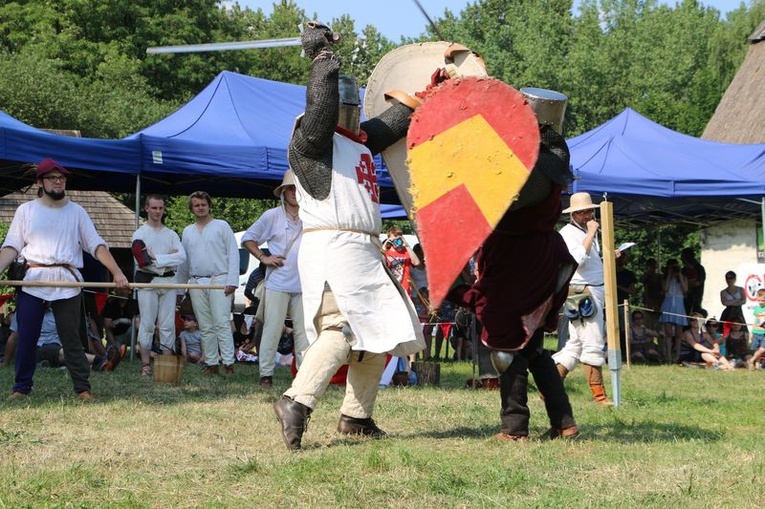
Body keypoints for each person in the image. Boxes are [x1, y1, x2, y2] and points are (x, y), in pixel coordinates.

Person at [273, 22, 426, 450]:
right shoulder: (309, 143)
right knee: (340, 330)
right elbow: (320, 109)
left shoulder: (358, 142)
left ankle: (356, 418)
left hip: (364, 250)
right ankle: (296, 403)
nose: (351, 114)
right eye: (346, 107)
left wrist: (431, 87)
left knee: (384, 330)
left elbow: (397, 120)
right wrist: (323, 59)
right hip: (333, 249)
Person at [448, 88, 579, 438]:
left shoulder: (534, 169)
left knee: (508, 345)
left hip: (518, 262)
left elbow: (499, 204)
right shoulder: (546, 163)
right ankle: (564, 424)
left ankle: (515, 428)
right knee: (534, 350)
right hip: (536, 259)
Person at [0, 158, 129, 399]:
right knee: (26, 337)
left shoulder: (77, 212)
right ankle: (20, 388)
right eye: (52, 177)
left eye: (61, 178)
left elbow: (96, 245)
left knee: (72, 338)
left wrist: (117, 272)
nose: (58, 181)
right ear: (40, 181)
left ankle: (82, 388)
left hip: (67, 282)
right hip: (33, 280)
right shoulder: (25, 211)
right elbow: (11, 247)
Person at [241, 170, 309, 388]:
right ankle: (266, 375)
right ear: (283, 192)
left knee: (305, 332)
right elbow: (247, 238)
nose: (294, 193)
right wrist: (264, 257)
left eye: (298, 189)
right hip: (278, 281)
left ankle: (306, 378)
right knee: (272, 328)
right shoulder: (272, 216)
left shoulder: (312, 215)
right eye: (290, 188)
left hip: (305, 283)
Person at [552, 192, 613, 405]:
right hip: (582, 291)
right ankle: (600, 396)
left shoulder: (585, 232)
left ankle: (549, 387)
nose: (588, 215)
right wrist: (591, 233)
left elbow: (590, 259)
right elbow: (577, 259)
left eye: (590, 211)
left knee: (575, 344)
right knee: (594, 342)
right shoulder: (568, 233)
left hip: (590, 288)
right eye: (584, 211)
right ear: (574, 214)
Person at [176, 191, 239, 376]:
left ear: (209, 206)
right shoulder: (187, 231)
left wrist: (232, 281)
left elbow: (233, 253)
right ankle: (211, 362)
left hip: (219, 279)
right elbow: (184, 262)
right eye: (196, 205)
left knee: (221, 322)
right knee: (205, 325)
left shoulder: (222, 226)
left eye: (203, 204)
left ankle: (228, 363)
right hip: (196, 281)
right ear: (191, 209)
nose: (200, 207)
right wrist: (181, 288)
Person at [132, 195, 186, 377]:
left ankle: (167, 365)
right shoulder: (139, 234)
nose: (157, 211)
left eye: (160, 208)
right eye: (154, 208)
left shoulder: (171, 234)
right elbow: (142, 262)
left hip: (169, 283)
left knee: (167, 325)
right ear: (146, 208)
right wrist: (168, 260)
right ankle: (146, 366)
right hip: (148, 282)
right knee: (147, 323)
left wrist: (157, 258)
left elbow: (182, 257)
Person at [658, 259, 688, 362]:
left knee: (679, 332)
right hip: (668, 303)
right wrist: (669, 275)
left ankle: (677, 355)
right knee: (668, 331)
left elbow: (685, 290)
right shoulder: (665, 279)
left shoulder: (683, 278)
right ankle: (668, 355)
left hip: (679, 304)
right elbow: (665, 289)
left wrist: (679, 275)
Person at [640, 258, 664, 331]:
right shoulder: (646, 276)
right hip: (648, 300)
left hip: (658, 301)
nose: (653, 267)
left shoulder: (659, 276)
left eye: (654, 265)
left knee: (659, 324)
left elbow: (663, 288)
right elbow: (642, 280)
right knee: (648, 323)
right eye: (651, 266)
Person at [719, 271, 746, 337]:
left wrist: (730, 302)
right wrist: (736, 300)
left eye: (731, 278)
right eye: (727, 278)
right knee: (726, 331)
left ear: (734, 279)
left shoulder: (740, 289)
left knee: (740, 329)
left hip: (738, 311)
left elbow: (743, 301)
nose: (729, 280)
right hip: (728, 312)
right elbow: (724, 303)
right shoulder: (723, 292)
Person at [681, 247, 705, 315]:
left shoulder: (699, 268)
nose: (681, 259)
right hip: (684, 298)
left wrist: (685, 283)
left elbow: (697, 282)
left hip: (695, 297)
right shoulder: (683, 269)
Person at [747, 288, 765, 370]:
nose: (761, 302)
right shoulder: (757, 309)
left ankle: (751, 360)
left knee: (762, 349)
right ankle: (757, 365)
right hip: (757, 331)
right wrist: (751, 332)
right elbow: (756, 321)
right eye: (759, 301)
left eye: (763, 301)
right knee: (757, 349)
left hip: (764, 333)